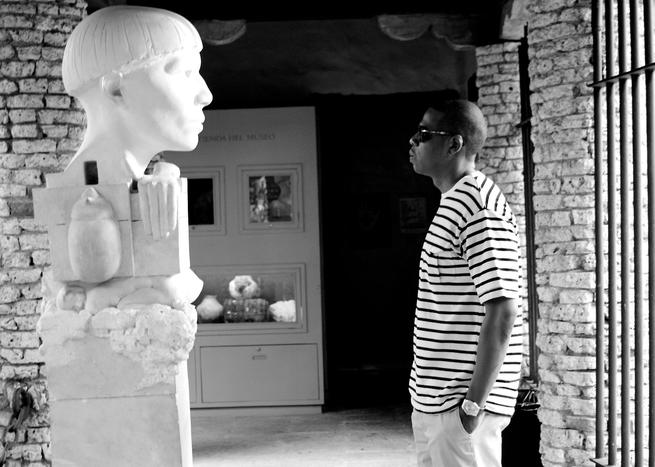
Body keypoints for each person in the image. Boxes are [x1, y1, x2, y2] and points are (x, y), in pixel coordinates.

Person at [407, 100, 523, 466]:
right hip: (433, 403)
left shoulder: (479, 207)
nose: (413, 141)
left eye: (424, 134)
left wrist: (472, 407)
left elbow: (503, 311)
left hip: (459, 407)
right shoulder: (455, 201)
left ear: (454, 144)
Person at [58, 5, 213, 239]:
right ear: (116, 89)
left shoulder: (121, 176)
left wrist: (165, 173)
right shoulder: (86, 198)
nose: (205, 95)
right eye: (186, 73)